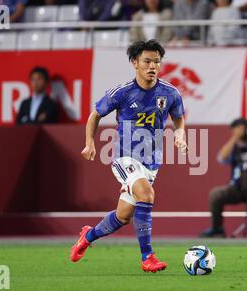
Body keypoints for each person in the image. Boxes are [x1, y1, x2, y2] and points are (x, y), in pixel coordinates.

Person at [70, 39, 187, 273]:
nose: (152, 66)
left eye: (157, 61)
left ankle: (87, 236)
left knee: (123, 216)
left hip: (151, 163)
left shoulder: (170, 93)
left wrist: (180, 134)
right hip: (125, 159)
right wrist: (90, 143)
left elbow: (178, 117)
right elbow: (95, 115)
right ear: (135, 63)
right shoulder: (121, 93)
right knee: (147, 194)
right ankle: (148, 257)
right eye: (147, 61)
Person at [200, 118, 247, 238]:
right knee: (216, 193)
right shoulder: (234, 146)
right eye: (238, 129)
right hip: (239, 187)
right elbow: (222, 158)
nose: (242, 131)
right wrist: (234, 138)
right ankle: (217, 228)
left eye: (244, 128)